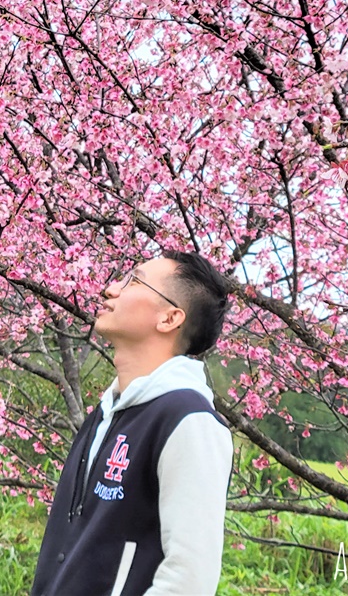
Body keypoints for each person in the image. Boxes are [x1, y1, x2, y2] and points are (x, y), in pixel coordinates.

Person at [31, 251, 233, 596]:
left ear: (169, 317)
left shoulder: (188, 422)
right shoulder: (106, 414)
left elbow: (190, 580)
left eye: (133, 281)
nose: (111, 289)